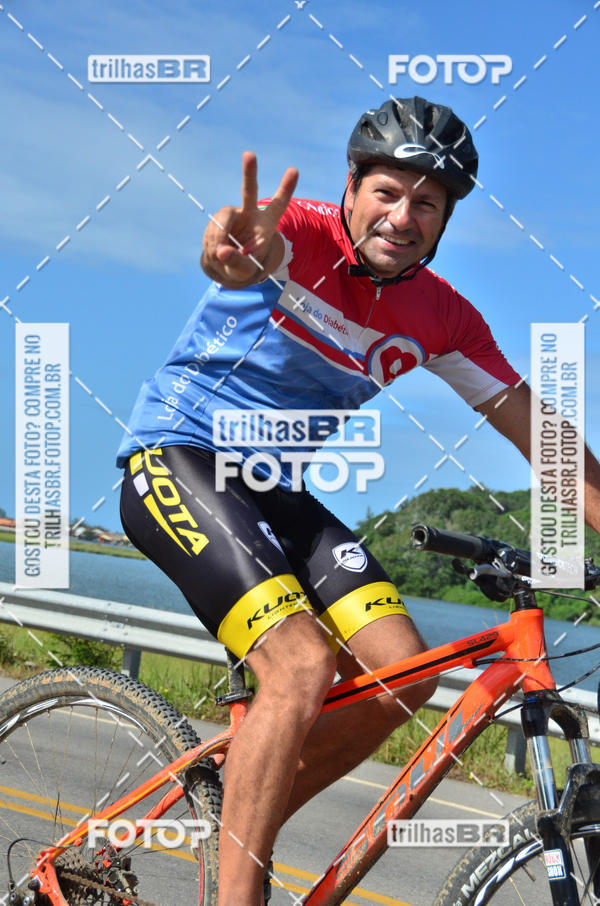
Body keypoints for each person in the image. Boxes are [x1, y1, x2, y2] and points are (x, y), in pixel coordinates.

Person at [117, 96, 600, 905]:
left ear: (444, 222)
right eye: (387, 192)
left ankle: (240, 817)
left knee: (405, 673)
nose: (403, 216)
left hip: (277, 495)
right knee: (302, 663)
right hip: (179, 457)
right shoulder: (294, 233)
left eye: (427, 204)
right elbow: (235, 249)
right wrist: (230, 247)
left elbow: (543, 439)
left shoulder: (443, 317)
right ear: (351, 187)